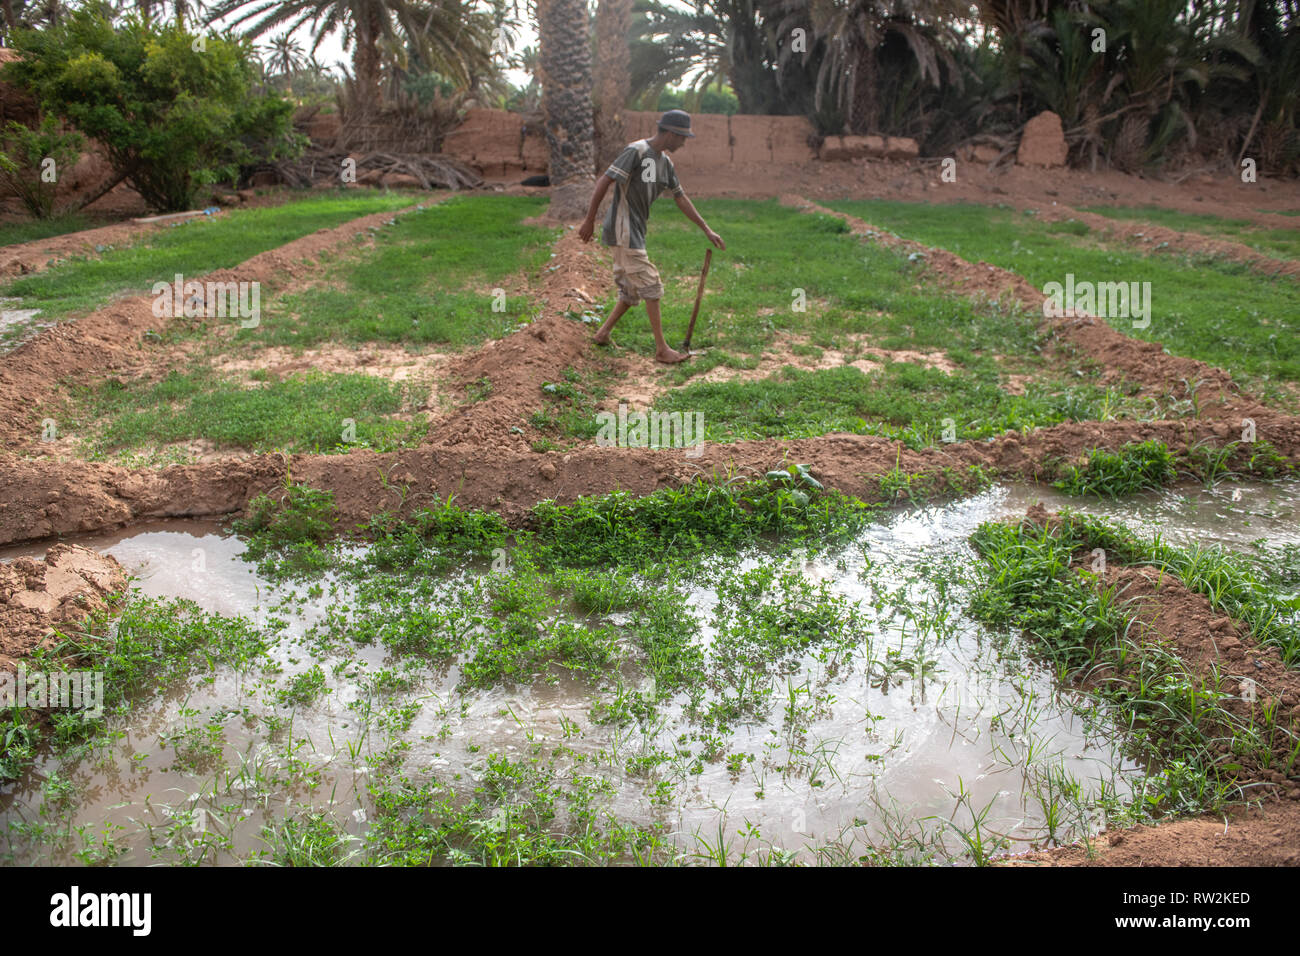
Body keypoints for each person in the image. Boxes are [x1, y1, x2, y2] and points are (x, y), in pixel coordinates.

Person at [577, 109, 726, 364]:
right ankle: (661, 350)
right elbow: (606, 180)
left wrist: (706, 228)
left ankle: (602, 333)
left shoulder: (665, 163)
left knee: (630, 291)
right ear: (669, 133)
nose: (683, 143)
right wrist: (590, 219)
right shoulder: (636, 151)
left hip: (635, 230)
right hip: (623, 229)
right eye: (682, 138)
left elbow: (680, 197)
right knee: (651, 285)